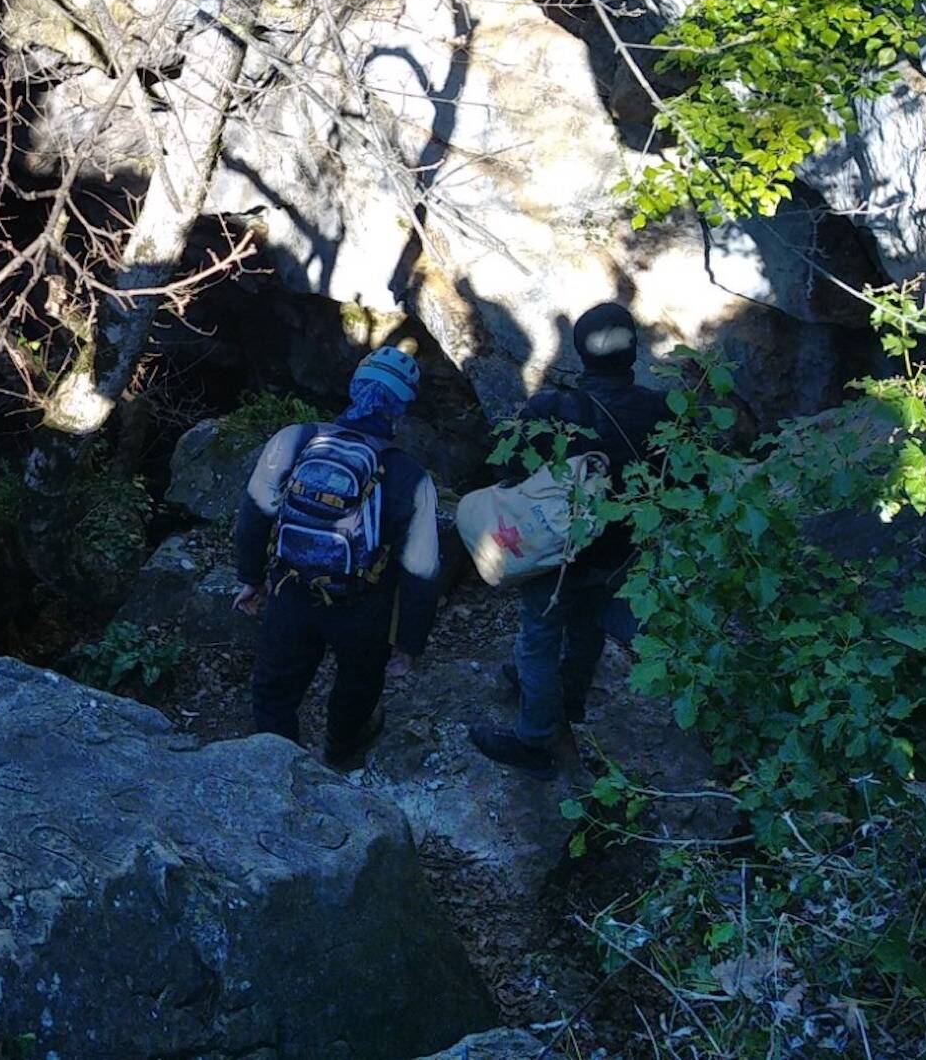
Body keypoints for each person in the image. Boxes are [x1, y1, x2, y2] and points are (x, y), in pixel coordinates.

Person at [470, 301, 669, 779]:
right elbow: (685, 483)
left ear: (581, 353)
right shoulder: (662, 411)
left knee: (538, 641)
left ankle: (535, 740)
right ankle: (571, 699)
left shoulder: (551, 408)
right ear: (633, 352)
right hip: (623, 552)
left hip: (556, 552)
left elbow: (510, 468)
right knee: (588, 630)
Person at [232, 344, 442, 768]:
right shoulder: (413, 479)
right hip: (363, 605)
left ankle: (276, 768)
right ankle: (340, 754)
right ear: (402, 409)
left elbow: (254, 514)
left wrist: (251, 578)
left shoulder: (295, 439)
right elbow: (420, 570)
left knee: (274, 688)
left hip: (291, 590)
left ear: (354, 388)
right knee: (358, 687)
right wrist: (408, 644)